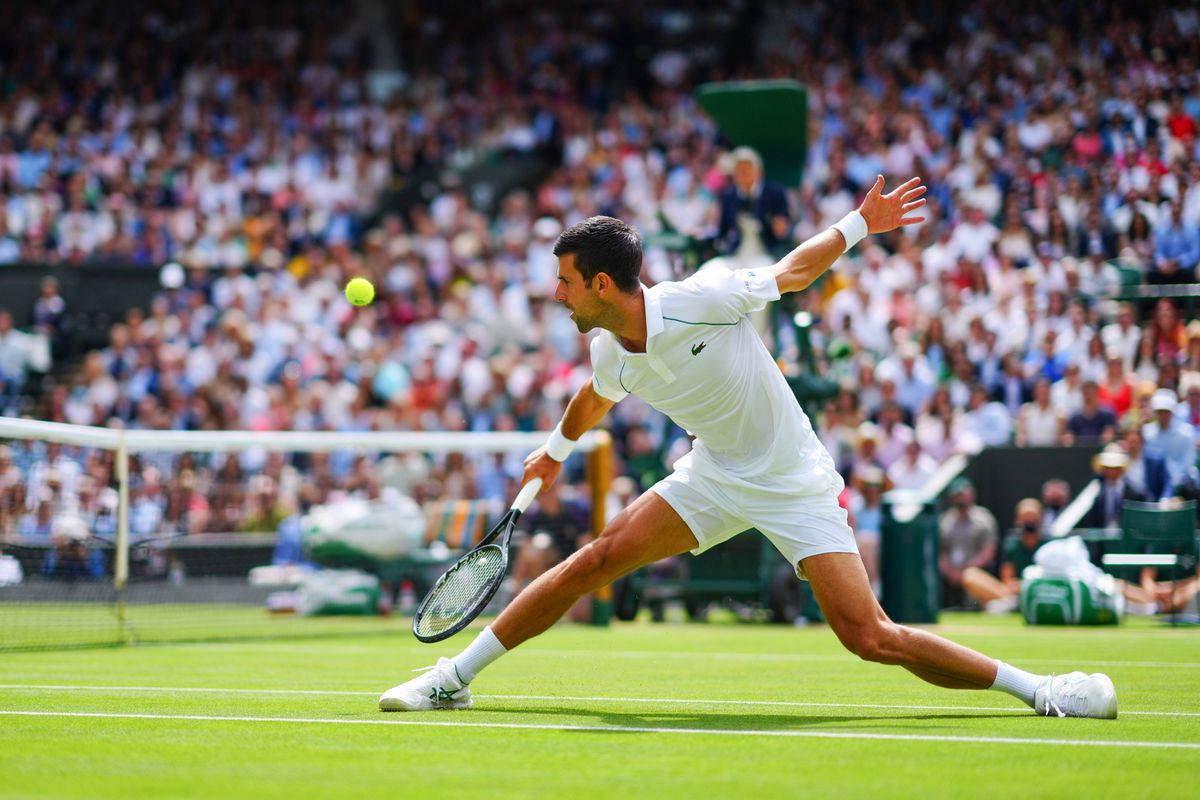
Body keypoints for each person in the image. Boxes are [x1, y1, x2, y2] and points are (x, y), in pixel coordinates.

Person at [381, 179, 1118, 719]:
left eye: (566, 283)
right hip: (712, 475)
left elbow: (792, 272)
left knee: (868, 636)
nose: (557, 294)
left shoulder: (702, 295)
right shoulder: (611, 348)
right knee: (596, 559)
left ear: (602, 283)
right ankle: (454, 676)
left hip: (794, 480)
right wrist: (552, 453)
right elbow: (595, 399)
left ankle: (1042, 691)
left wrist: (860, 223)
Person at [962, 498, 1045, 614]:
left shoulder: (1048, 546)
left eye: (1033, 517)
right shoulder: (1011, 546)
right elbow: (1007, 580)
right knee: (970, 575)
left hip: (1038, 592)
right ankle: (1012, 604)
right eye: (1025, 517)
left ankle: (1009, 605)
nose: (1029, 521)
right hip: (1012, 594)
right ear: (1018, 520)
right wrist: (1016, 587)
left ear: (1041, 519)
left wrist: (1026, 586)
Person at [938, 477, 999, 608]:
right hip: (949, 575)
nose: (961, 498)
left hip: (976, 571)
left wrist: (966, 569)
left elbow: (988, 551)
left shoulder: (983, 519)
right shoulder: (945, 521)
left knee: (972, 578)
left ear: (972, 494)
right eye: (957, 495)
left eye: (963, 494)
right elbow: (940, 551)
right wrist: (949, 571)